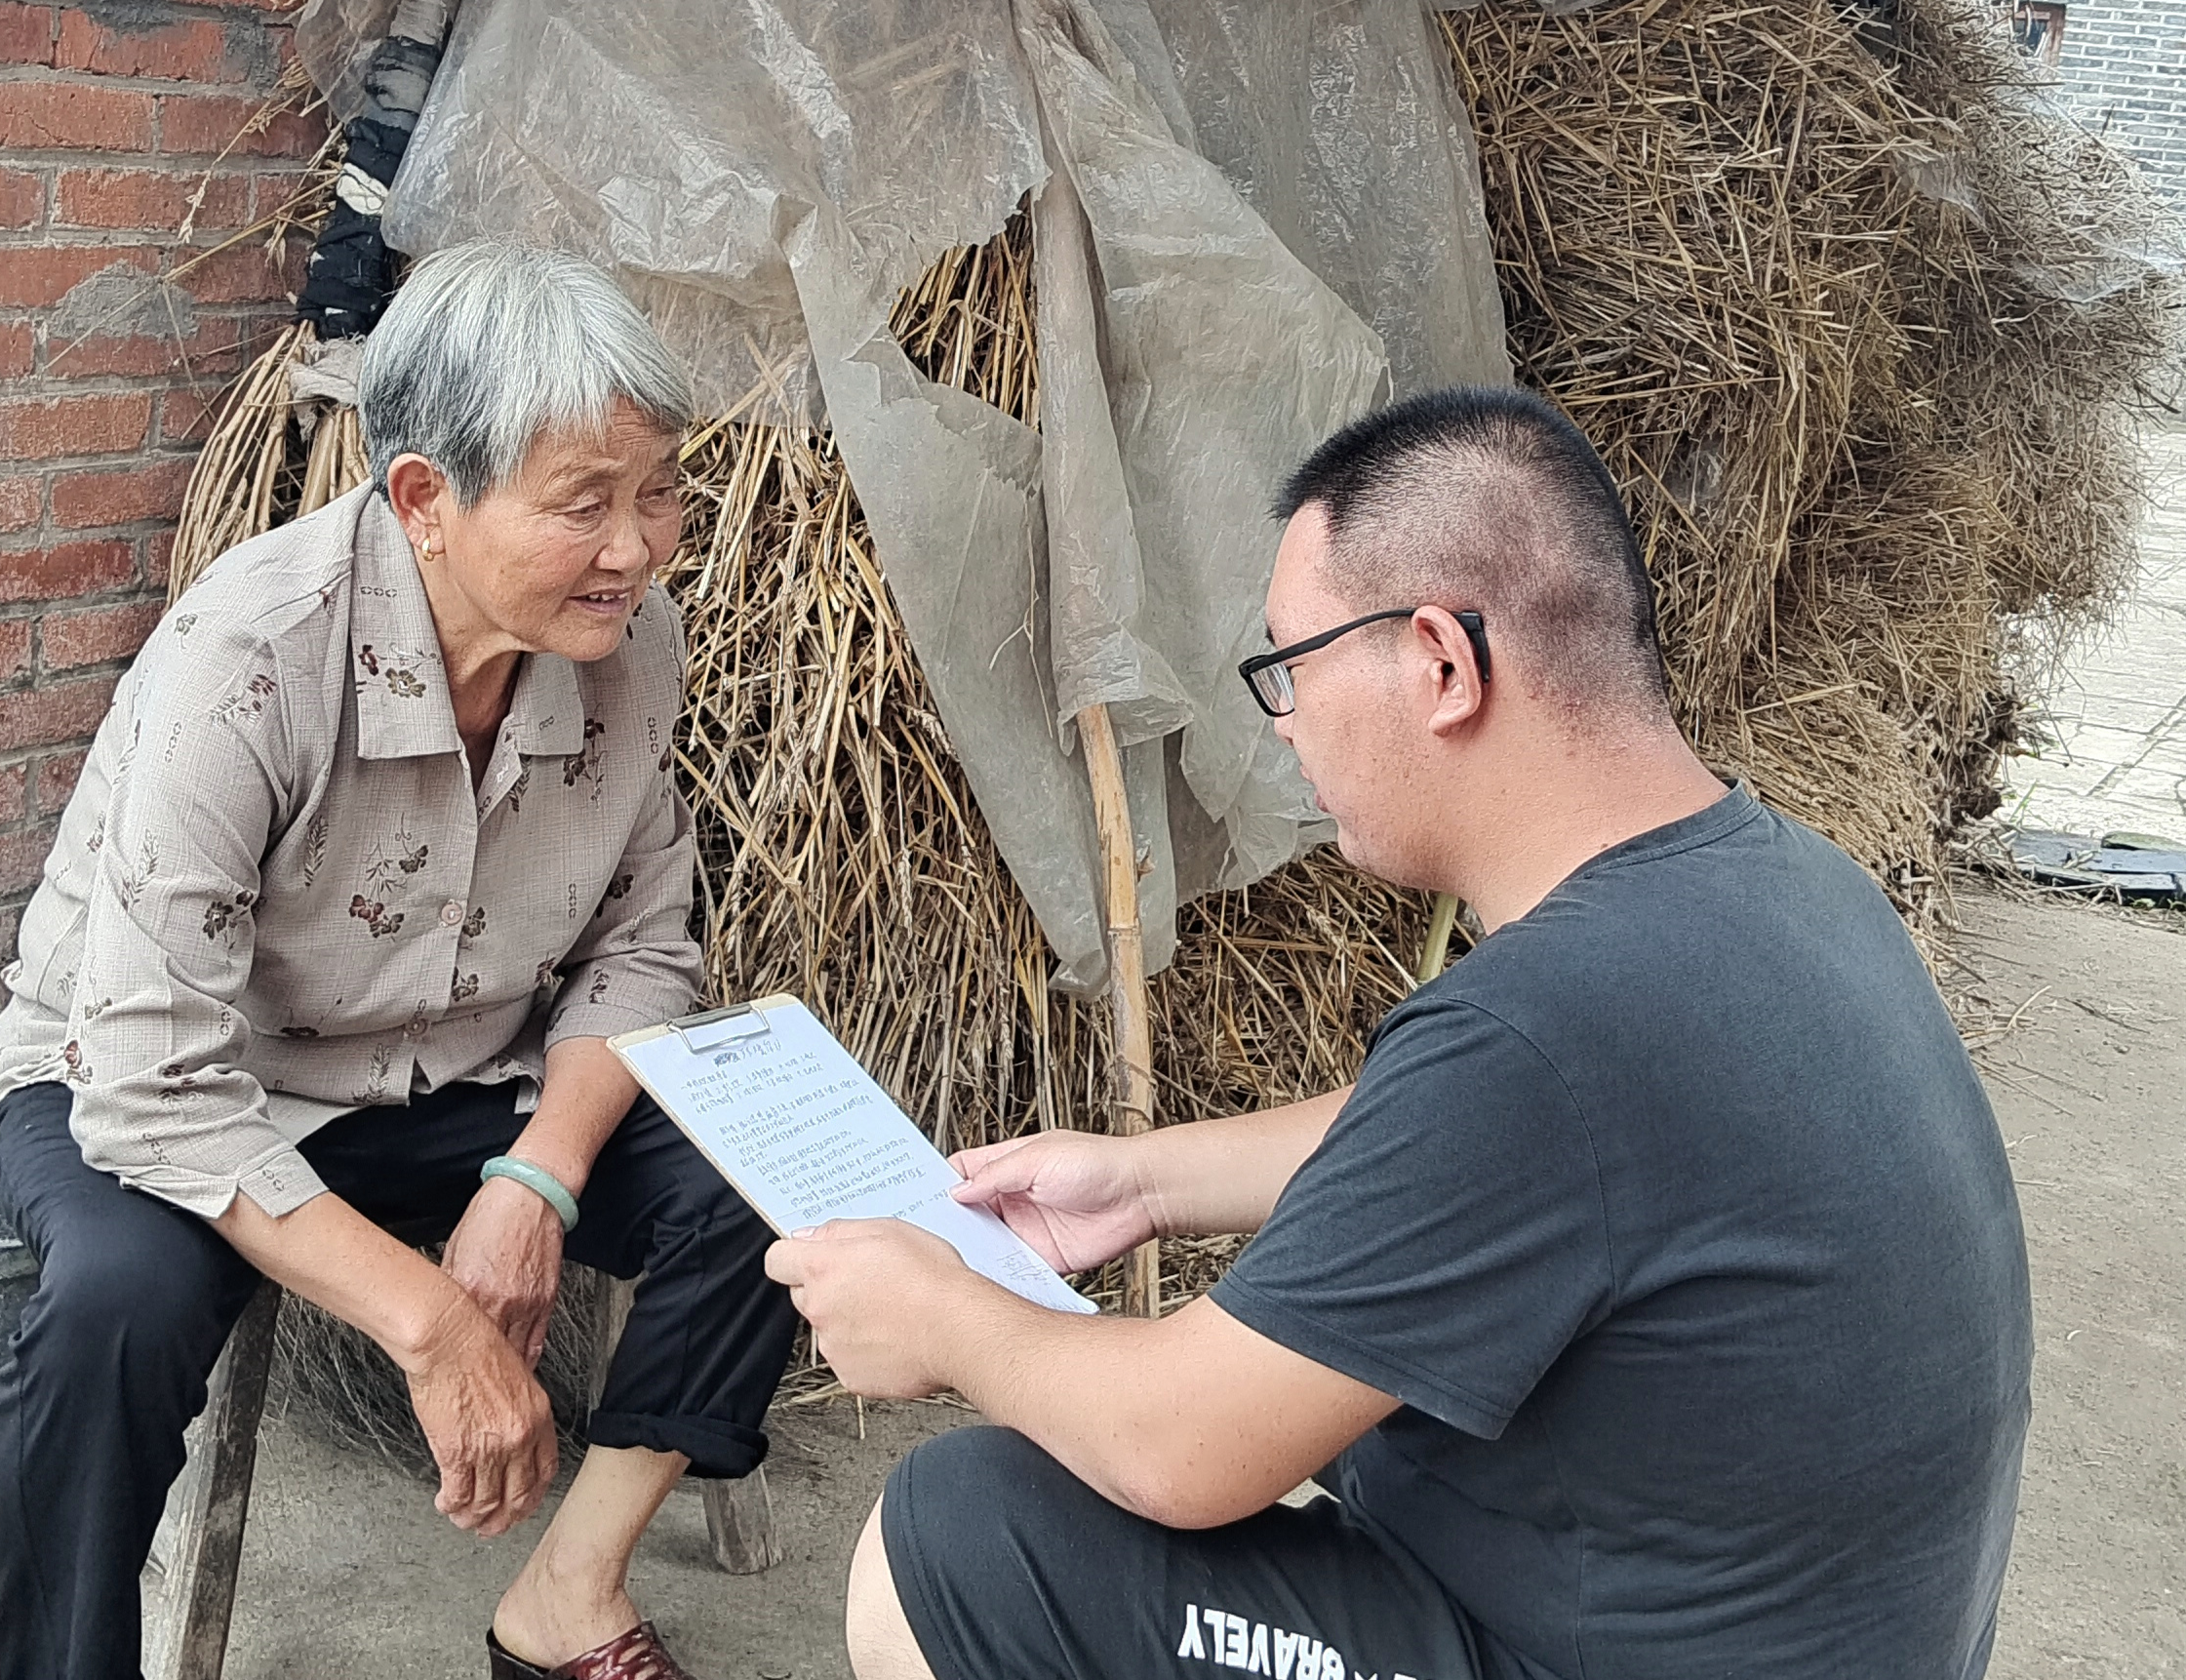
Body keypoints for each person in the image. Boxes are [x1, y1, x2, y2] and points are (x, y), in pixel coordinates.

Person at [770, 386, 2035, 1680]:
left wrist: (945, 1316)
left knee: (963, 1540)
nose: (1282, 721)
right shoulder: (1774, 886)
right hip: (1773, 1625)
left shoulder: (1545, 1030)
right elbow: (1485, 1147)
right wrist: (1144, 1181)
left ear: (1439, 660)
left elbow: (1178, 1449)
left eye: (1290, 666)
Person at [0, 241, 795, 1680]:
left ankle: (568, 1596)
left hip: (456, 1073)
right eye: (583, 503)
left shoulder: (631, 646)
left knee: (761, 1168)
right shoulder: (254, 656)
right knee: (116, 1308)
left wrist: (537, 1177)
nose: (639, 545)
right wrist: (434, 1324)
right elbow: (153, 1080)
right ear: (426, 497)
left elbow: (643, 949)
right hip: (159, 1077)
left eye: (656, 489)